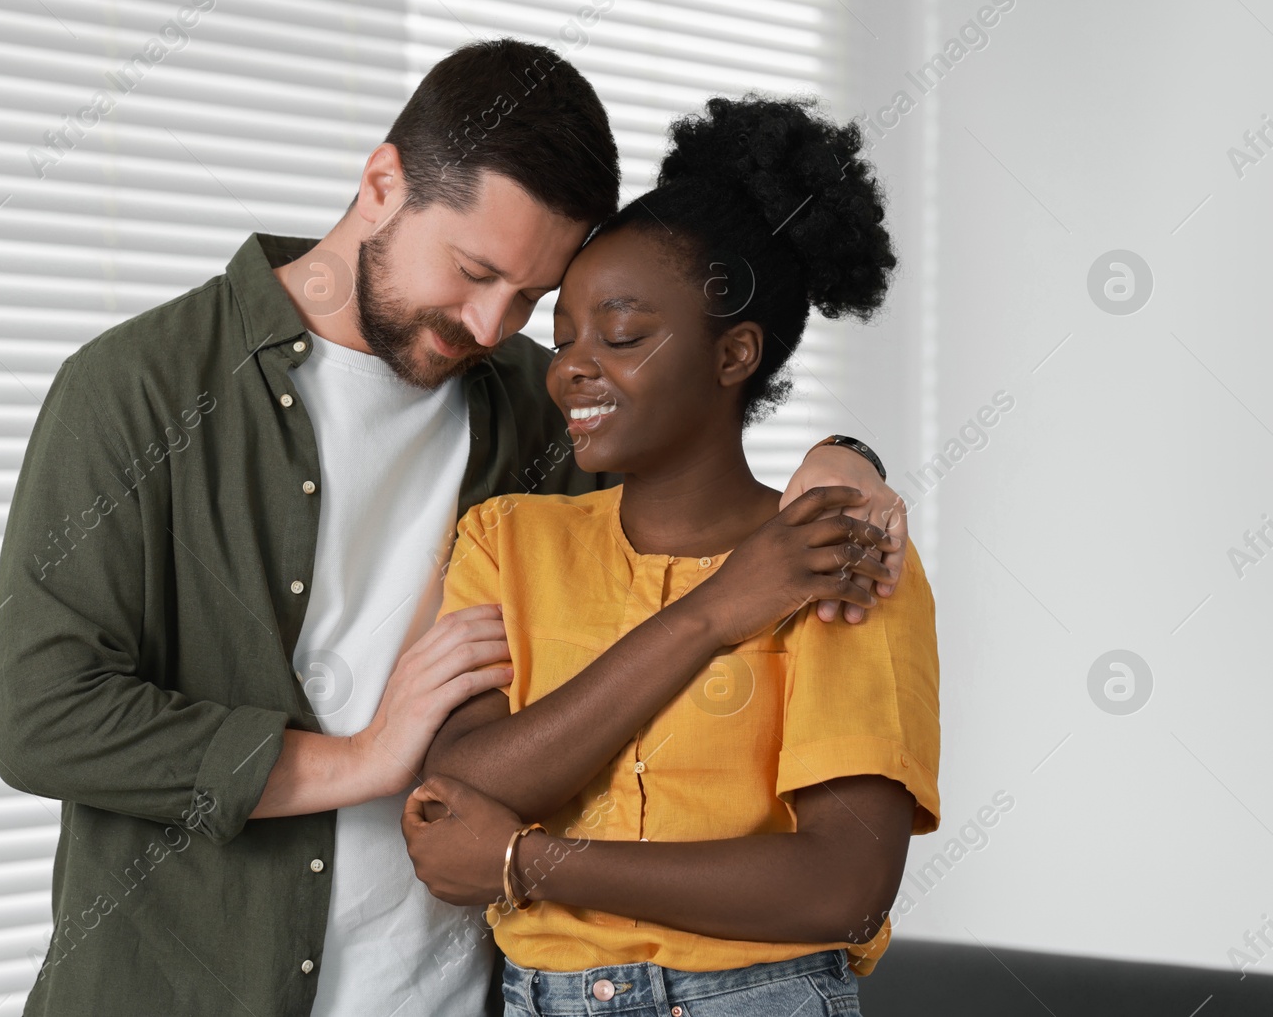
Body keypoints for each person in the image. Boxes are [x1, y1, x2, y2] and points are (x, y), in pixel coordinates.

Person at [0, 39, 907, 1017]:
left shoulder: (527, 401)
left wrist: (847, 456)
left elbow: (695, 437)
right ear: (383, 183)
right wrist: (363, 758)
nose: (489, 320)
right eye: (473, 270)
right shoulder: (138, 388)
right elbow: (48, 716)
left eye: (528, 297)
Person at [401, 94, 939, 1017]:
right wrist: (715, 611)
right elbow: (462, 787)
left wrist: (526, 860)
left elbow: (841, 884)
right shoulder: (507, 539)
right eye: (562, 335)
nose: (570, 365)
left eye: (619, 336)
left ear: (734, 352)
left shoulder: (839, 551)